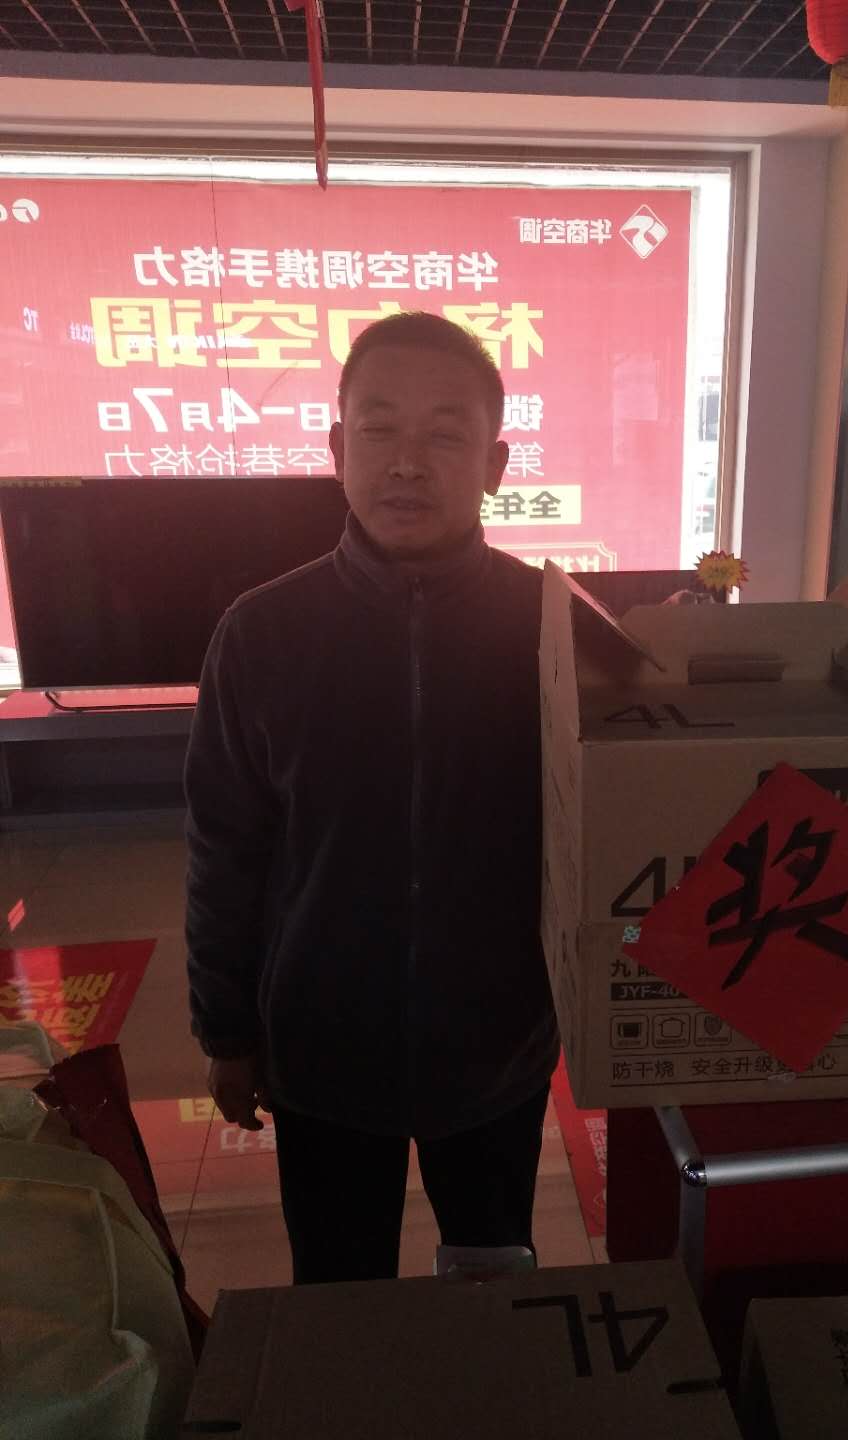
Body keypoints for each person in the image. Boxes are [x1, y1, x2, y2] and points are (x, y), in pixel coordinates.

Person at [185, 311, 559, 1284]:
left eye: (445, 434)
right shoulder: (260, 634)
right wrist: (226, 1031)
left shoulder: (553, 631)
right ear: (335, 450)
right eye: (378, 428)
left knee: (492, 1283)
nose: (406, 462)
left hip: (499, 1044)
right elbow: (226, 848)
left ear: (496, 464)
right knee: (340, 1294)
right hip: (322, 1048)